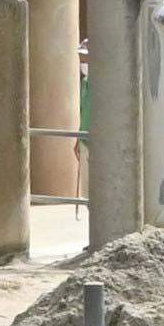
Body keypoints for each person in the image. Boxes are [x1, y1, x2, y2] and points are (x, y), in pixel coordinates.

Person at [74, 39, 89, 203]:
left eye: (85, 57)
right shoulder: (84, 83)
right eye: (80, 56)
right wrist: (78, 138)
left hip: (100, 141)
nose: (82, 60)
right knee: (86, 192)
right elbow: (84, 111)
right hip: (85, 139)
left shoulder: (105, 83)